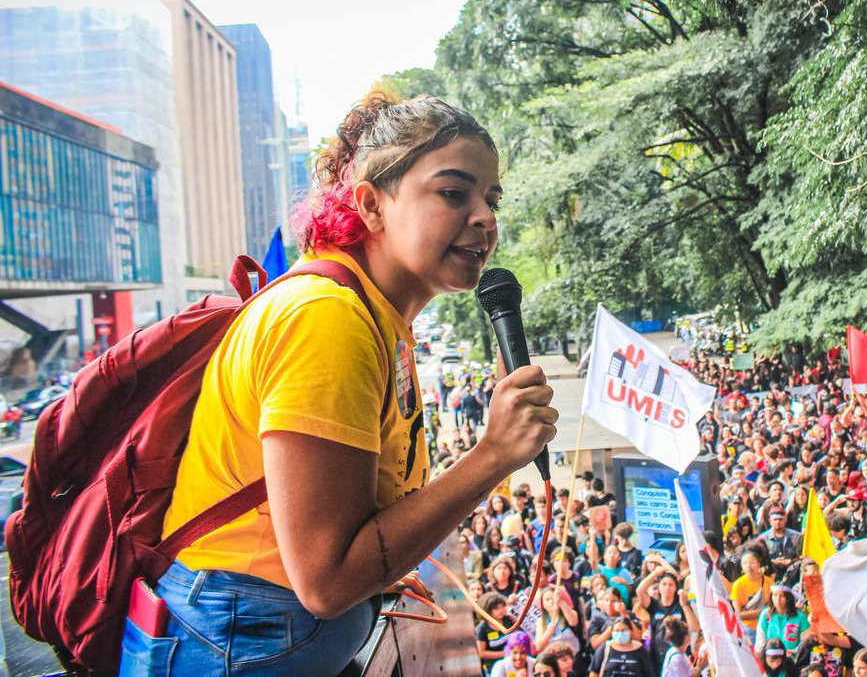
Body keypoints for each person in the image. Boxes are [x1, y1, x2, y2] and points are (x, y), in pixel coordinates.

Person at [138, 94, 558, 675]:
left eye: (491, 199)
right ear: (371, 204)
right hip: (239, 648)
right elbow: (327, 581)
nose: (485, 218)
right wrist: (492, 456)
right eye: (453, 193)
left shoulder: (383, 321)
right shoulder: (327, 320)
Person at [588, 615, 655, 677]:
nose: (620, 633)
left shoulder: (640, 651)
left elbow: (649, 673)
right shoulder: (605, 649)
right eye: (617, 630)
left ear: (630, 631)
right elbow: (594, 672)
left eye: (624, 630)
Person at [756, 583, 809, 656]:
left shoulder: (800, 617)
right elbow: (760, 640)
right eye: (775, 595)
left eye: (782, 596)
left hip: (791, 660)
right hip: (770, 658)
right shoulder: (765, 614)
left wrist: (795, 651)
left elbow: (806, 641)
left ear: (788, 598)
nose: (778, 599)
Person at [477, 592, 518, 673]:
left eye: (503, 607)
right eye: (496, 608)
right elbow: (482, 653)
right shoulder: (483, 628)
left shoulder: (509, 619)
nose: (501, 610)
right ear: (488, 610)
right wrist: (505, 653)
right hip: (494, 666)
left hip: (513, 663)